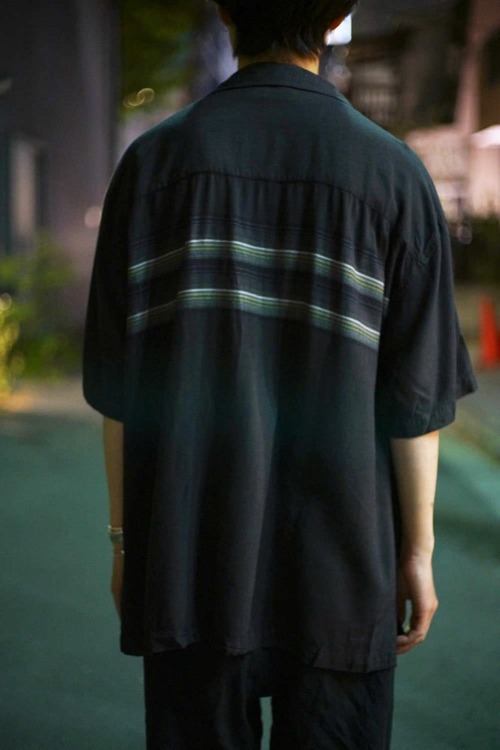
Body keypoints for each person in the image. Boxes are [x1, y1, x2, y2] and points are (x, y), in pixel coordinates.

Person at [83, 1, 477, 748]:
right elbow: (415, 403)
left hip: (189, 563)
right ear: (338, 14)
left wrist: (125, 543)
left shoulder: (153, 165)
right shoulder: (394, 174)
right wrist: (417, 555)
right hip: (343, 571)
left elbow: (119, 392)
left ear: (226, 9)